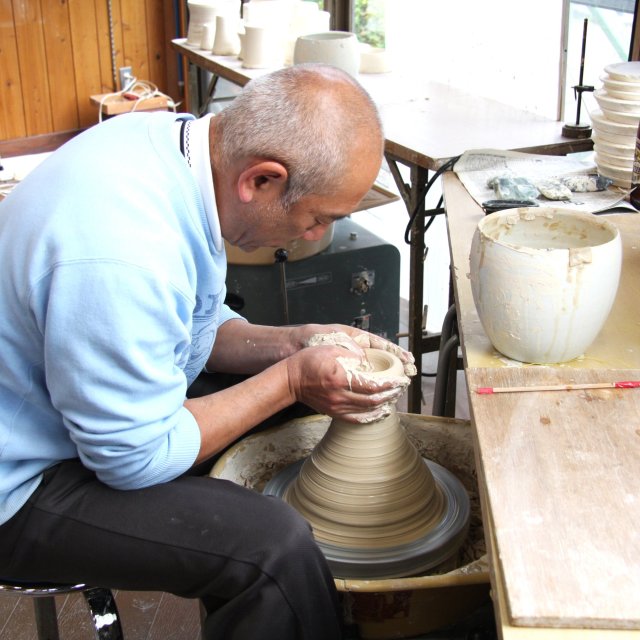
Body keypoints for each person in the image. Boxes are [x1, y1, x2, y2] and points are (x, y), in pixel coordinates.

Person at [0, 64, 414, 639]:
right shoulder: (123, 253)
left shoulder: (174, 146)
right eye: (319, 217)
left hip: (63, 405)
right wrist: (291, 378)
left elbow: (188, 323)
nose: (317, 235)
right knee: (273, 556)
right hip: (19, 481)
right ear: (262, 181)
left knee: (317, 403)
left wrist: (293, 344)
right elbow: (133, 458)